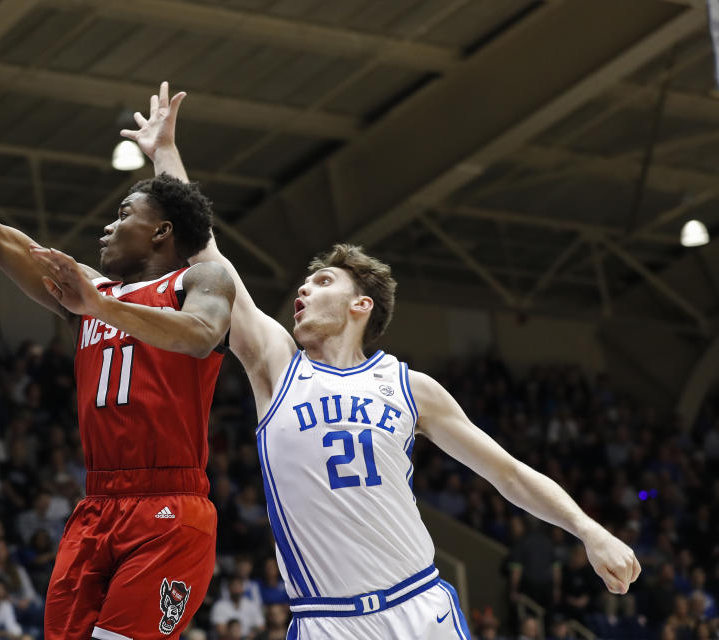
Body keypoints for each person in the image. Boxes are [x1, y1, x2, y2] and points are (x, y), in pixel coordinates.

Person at [112, 81, 642, 639]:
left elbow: (506, 473)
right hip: (327, 621)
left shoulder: (412, 388)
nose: (303, 291)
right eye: (302, 284)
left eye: (321, 282)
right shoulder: (276, 365)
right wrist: (166, 155)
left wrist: (589, 529)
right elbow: (206, 253)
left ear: (360, 305)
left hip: (417, 605)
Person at [0, 75, 235, 640]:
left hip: (169, 508)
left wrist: (98, 304)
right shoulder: (89, 296)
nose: (108, 224)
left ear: (162, 232)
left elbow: (200, 335)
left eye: (124, 212)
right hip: (98, 504)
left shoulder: (201, 278)